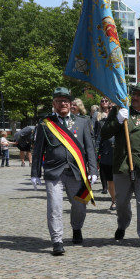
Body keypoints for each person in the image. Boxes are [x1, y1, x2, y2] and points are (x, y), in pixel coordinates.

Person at [30, 87, 98, 256]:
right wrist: (35, 173)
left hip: (76, 172)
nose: (63, 104)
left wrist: (94, 169)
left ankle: (76, 228)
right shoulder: (46, 124)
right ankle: (57, 240)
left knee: (80, 205)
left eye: (66, 101)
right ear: (54, 104)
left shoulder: (82, 122)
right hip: (54, 172)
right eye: (59, 101)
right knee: (54, 206)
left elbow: (90, 147)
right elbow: (38, 150)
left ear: (71, 103)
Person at [101, 82, 140, 250]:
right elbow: (104, 133)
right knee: (121, 202)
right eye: (134, 93)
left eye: (139, 94)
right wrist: (118, 121)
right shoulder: (120, 113)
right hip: (123, 166)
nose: (134, 97)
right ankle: (122, 224)